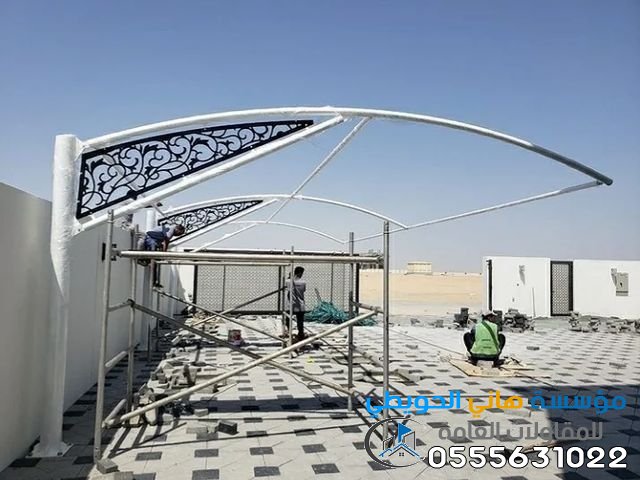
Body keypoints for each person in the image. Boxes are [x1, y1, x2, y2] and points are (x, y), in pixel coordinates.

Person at [285, 266, 306, 341]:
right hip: (300, 305)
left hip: (291, 305)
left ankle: (289, 332)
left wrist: (290, 277)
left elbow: (287, 285)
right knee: (300, 321)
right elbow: (303, 290)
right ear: (300, 273)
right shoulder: (303, 282)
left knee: (287, 319)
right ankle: (301, 334)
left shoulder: (288, 282)